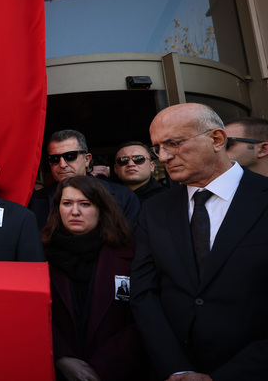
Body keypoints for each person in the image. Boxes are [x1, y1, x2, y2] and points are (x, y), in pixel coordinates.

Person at [132, 103, 268, 379]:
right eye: (157, 147)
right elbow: (144, 293)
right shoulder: (154, 209)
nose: (164, 156)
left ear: (216, 139)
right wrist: (178, 368)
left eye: (173, 143)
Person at [42, 175, 147, 381]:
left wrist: (102, 366)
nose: (75, 211)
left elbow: (144, 317)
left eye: (85, 204)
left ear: (101, 208)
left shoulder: (132, 255)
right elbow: (36, 314)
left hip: (116, 371)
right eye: (67, 203)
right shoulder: (39, 255)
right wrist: (62, 357)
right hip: (57, 371)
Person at [28, 129, 140, 230]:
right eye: (55, 159)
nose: (62, 164)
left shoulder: (123, 196)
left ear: (87, 159)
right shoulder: (36, 201)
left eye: (70, 156)